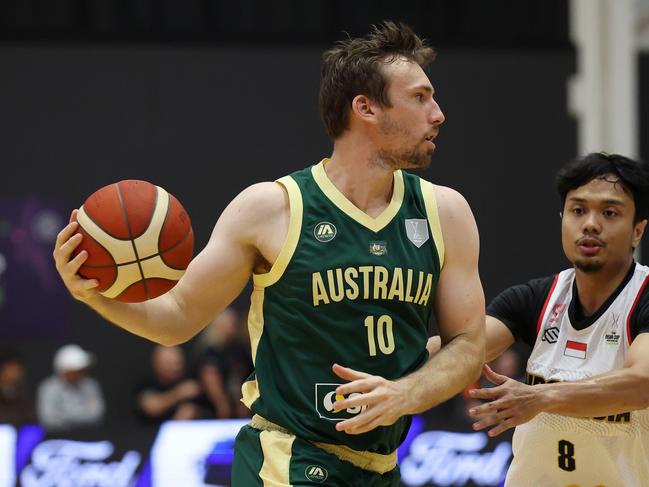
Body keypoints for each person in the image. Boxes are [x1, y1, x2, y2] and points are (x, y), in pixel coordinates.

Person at [53, 21, 485, 485]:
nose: (438, 113)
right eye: (420, 97)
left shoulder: (446, 212)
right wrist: (92, 295)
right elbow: (177, 317)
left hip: (382, 466)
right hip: (287, 459)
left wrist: (405, 394)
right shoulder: (272, 208)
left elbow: (468, 344)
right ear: (366, 107)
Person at [463, 153, 649, 486]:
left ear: (638, 230)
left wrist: (541, 398)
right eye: (578, 210)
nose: (590, 224)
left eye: (609, 213)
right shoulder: (534, 298)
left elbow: (642, 384)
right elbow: (460, 349)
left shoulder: (643, 297)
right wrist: (389, 371)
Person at [36, 344, 105, 432]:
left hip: (89, 435)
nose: (82, 373)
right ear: (64, 370)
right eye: (77, 370)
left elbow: (97, 415)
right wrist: (82, 413)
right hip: (58, 438)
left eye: (82, 369)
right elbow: (48, 420)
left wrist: (65, 416)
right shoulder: (48, 388)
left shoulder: (91, 385)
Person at [135, 345, 207, 423]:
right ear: (157, 363)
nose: (175, 367)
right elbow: (151, 407)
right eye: (169, 363)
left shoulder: (191, 379)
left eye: (178, 362)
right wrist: (179, 393)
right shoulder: (148, 383)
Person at [0, 349, 37, 426]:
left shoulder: (24, 397)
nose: (16, 373)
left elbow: (32, 424)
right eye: (11, 368)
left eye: (19, 369)